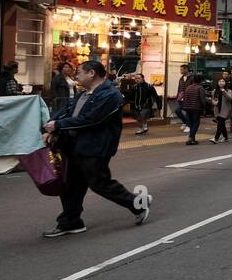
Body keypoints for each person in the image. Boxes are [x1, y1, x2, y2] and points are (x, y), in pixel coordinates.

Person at [40, 60, 150, 238]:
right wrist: (52, 129)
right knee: (70, 186)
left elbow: (92, 119)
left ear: (91, 73)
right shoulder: (83, 94)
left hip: (95, 148)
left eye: (79, 72)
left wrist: (58, 125)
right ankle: (70, 222)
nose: (76, 76)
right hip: (73, 146)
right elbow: (67, 111)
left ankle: (137, 203)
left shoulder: (110, 95)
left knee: (100, 183)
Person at [181, 73, 206, 146]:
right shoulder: (200, 88)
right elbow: (203, 100)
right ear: (201, 80)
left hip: (187, 108)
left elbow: (185, 97)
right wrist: (204, 108)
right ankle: (190, 138)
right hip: (196, 108)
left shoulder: (188, 87)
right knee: (196, 123)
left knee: (191, 124)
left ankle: (192, 139)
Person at [209, 77, 232, 144]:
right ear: (217, 83)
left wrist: (224, 91)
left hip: (225, 109)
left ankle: (216, 138)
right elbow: (213, 99)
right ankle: (225, 137)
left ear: (225, 83)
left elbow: (230, 98)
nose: (221, 82)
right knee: (221, 124)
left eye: (223, 81)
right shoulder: (215, 91)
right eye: (220, 81)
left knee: (220, 122)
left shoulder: (228, 90)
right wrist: (214, 102)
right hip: (217, 109)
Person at [172, 64, 191, 134]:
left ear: (186, 69)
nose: (180, 71)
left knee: (187, 112)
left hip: (188, 98)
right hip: (181, 98)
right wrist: (177, 96)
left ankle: (189, 126)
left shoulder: (192, 78)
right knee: (177, 110)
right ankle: (185, 122)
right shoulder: (181, 78)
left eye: (181, 69)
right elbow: (179, 88)